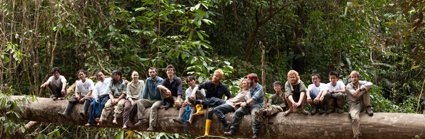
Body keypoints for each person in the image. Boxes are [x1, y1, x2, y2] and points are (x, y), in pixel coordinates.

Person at [225, 73, 263, 139]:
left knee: (254, 115)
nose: (247, 80)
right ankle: (232, 131)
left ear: (253, 80)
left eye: (248, 79)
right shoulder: (249, 86)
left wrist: (245, 103)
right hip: (248, 105)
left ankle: (255, 134)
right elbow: (243, 94)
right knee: (237, 112)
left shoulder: (260, 88)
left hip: (256, 105)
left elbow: (253, 99)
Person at [133, 67, 164, 131]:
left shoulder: (160, 80)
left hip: (159, 100)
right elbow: (145, 92)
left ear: (156, 73)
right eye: (150, 72)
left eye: (153, 72)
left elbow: (163, 93)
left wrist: (163, 103)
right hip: (151, 100)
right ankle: (141, 119)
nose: (152, 73)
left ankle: (152, 126)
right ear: (149, 73)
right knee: (140, 102)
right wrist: (143, 99)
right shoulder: (148, 80)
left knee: (154, 107)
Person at [346, 71, 373, 139]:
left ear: (358, 77)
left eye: (355, 77)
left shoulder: (361, 83)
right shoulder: (348, 86)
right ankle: (356, 136)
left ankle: (368, 107)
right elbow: (354, 94)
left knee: (366, 89)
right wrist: (360, 89)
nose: (353, 79)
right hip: (354, 105)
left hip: (362, 103)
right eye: (352, 77)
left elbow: (370, 83)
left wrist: (361, 88)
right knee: (355, 118)